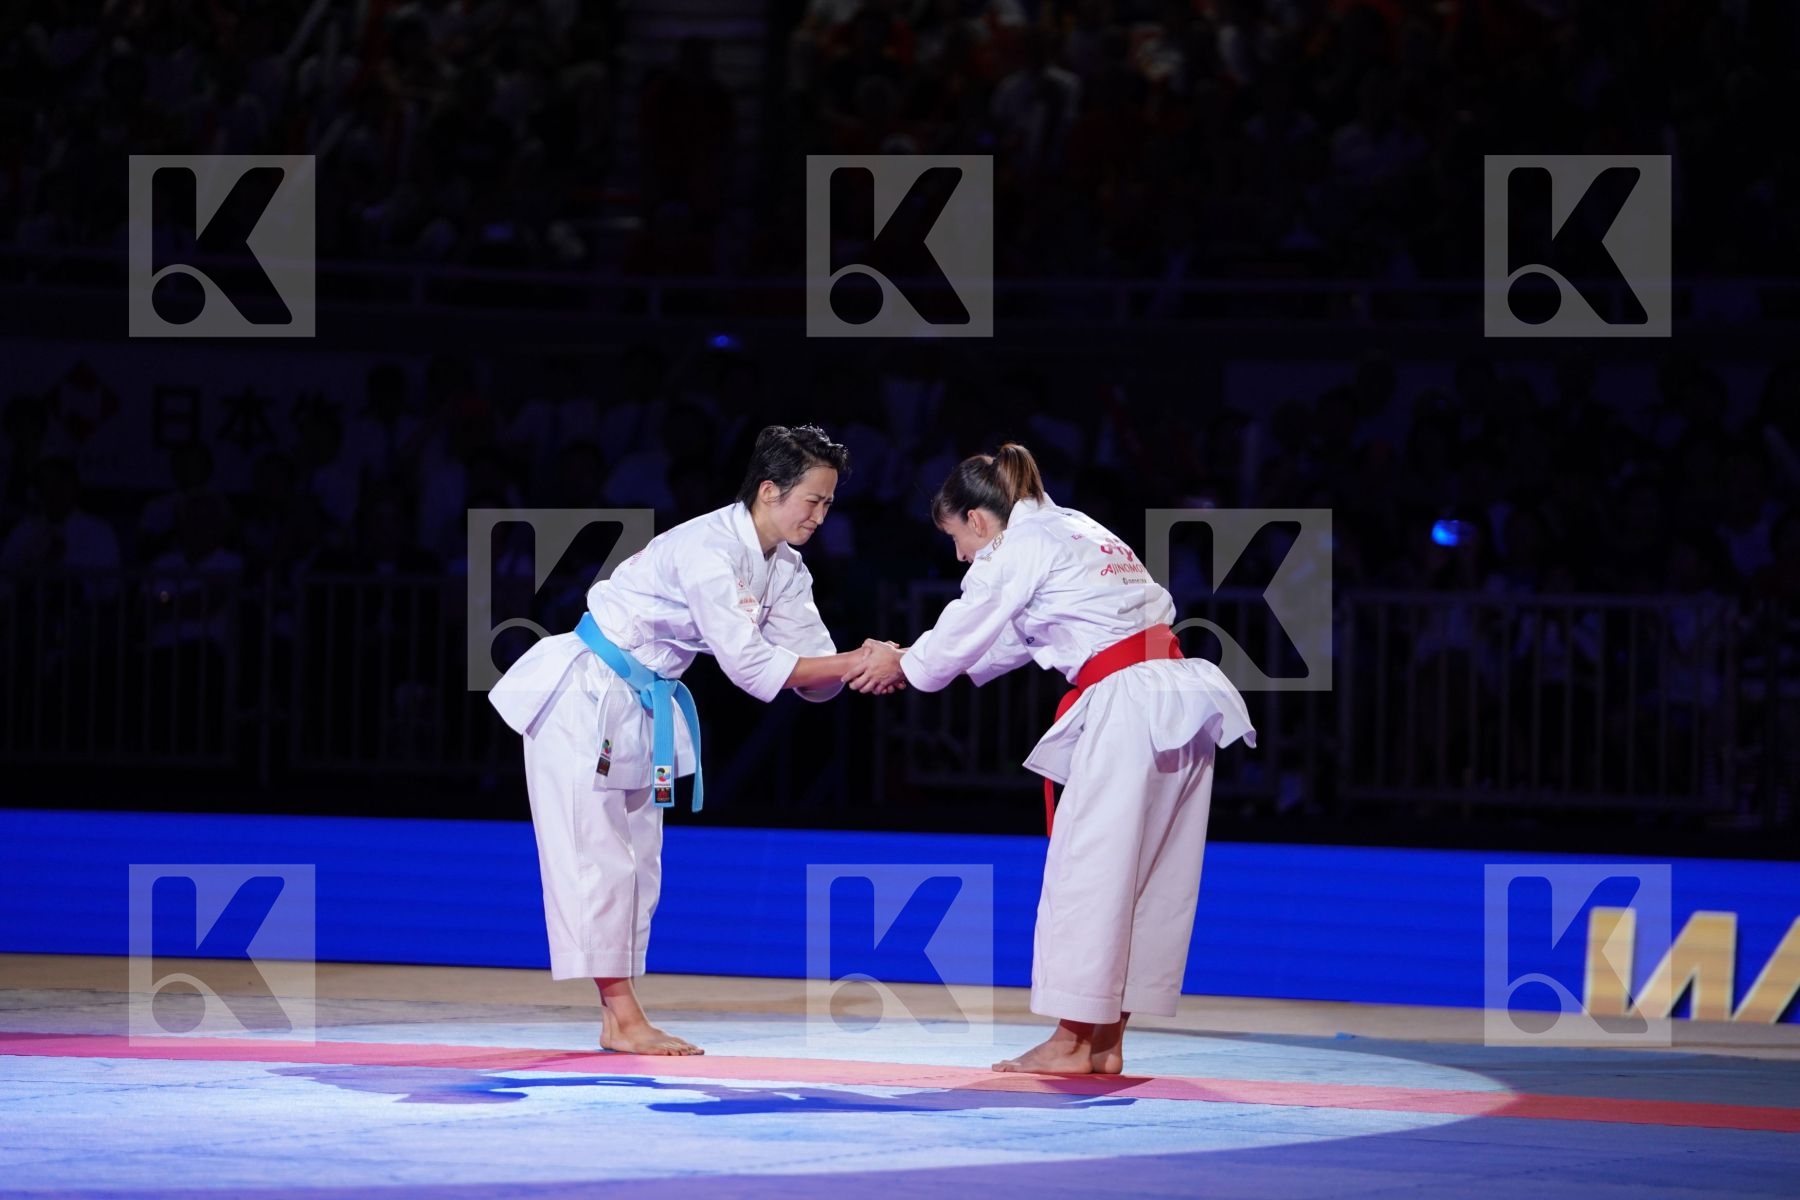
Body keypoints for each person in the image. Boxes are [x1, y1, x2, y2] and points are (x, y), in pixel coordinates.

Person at [847, 443, 1255, 1075]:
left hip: (1131, 705)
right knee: (1150, 875)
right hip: (1181, 697)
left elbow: (967, 624)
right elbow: (1019, 633)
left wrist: (907, 663)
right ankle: (1105, 1042)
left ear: (978, 521)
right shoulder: (1081, 528)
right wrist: (919, 664)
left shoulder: (1017, 545)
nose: (960, 556)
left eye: (958, 539)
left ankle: (1069, 1042)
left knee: (1092, 872)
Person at [490, 425, 887, 1055]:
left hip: (646, 703)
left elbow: (811, 673)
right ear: (768, 490)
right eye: (812, 500)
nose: (821, 514)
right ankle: (622, 1016)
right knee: (596, 859)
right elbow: (755, 670)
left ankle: (619, 1016)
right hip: (584, 695)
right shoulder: (708, 549)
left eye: (829, 503)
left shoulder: (784, 568)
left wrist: (858, 669)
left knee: (640, 864)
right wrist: (853, 662)